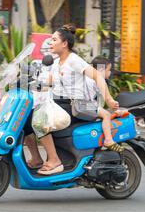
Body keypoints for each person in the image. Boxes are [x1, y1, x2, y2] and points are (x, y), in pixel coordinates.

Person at [23, 24, 122, 176]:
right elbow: (48, 82)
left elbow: (97, 76)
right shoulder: (56, 62)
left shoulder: (73, 60)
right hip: (57, 103)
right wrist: (24, 83)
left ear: (64, 44)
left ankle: (55, 161)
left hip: (73, 106)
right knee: (25, 119)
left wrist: (108, 99)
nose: (50, 42)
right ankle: (36, 159)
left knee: (39, 121)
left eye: (54, 39)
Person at [87, 56, 128, 151]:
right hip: (87, 105)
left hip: (86, 105)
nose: (110, 72)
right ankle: (108, 140)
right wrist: (116, 109)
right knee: (106, 115)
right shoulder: (99, 79)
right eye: (109, 70)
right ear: (101, 69)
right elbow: (109, 101)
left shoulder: (88, 77)